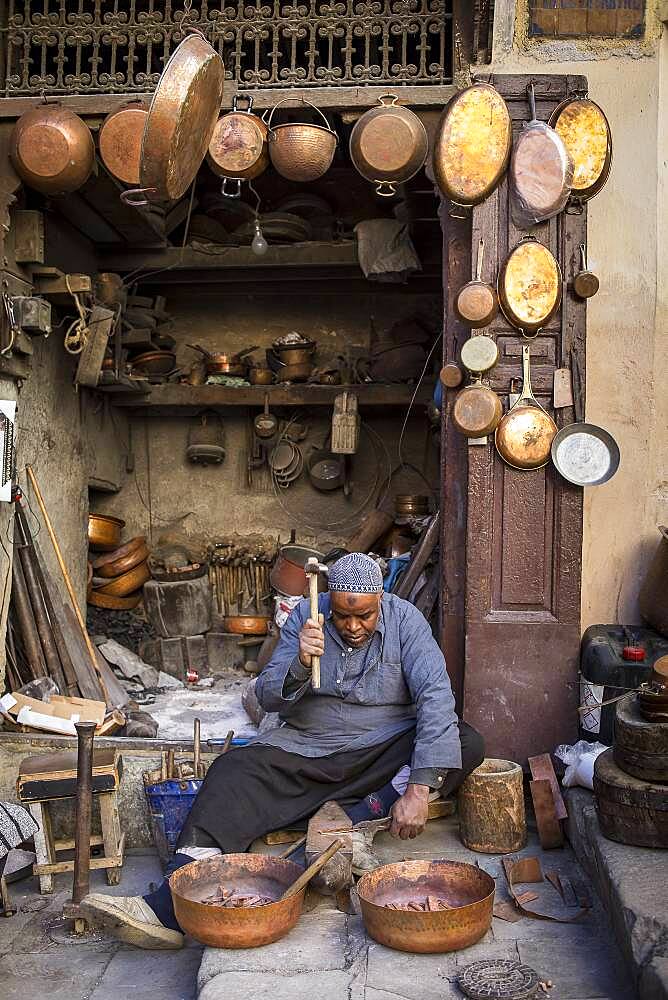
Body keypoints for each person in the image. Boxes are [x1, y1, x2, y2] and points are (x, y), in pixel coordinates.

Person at [82, 553, 484, 949]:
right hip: (307, 748)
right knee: (230, 773)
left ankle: (363, 816)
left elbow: (435, 699)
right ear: (329, 601)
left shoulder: (406, 620)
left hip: (381, 747)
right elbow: (268, 695)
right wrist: (299, 661)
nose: (354, 626)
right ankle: (166, 910)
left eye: (365, 615)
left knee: (464, 742)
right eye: (343, 616)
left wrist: (418, 790)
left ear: (381, 600)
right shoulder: (306, 617)